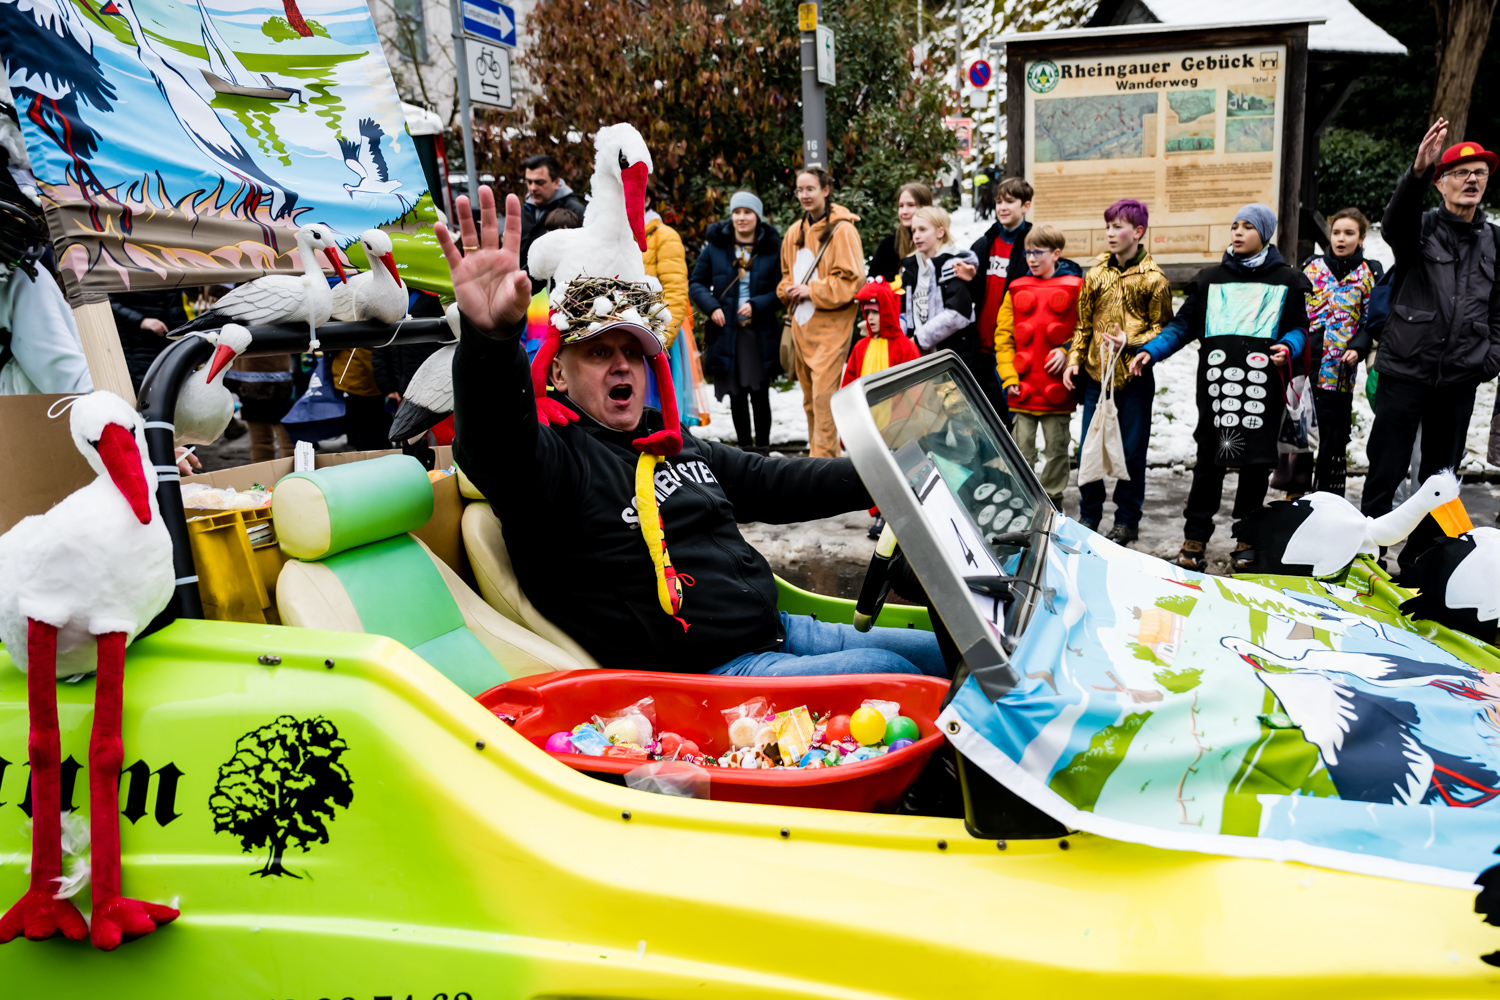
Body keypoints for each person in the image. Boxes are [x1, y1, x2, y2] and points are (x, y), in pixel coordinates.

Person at [443, 185, 943, 677]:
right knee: (891, 673)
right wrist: (490, 342)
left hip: (778, 630)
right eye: (599, 352)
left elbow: (772, 483)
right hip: (709, 679)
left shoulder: (666, 440)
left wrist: (887, 471)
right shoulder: (551, 464)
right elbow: (496, 442)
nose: (622, 368)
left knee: (948, 651)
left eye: (633, 353)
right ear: (557, 373)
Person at [1129, 203, 1310, 572]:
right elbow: (1182, 327)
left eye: (1247, 226)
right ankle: (1194, 538)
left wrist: (1288, 346)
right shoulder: (1209, 279)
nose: (1238, 233)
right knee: (1208, 467)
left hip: (1262, 395)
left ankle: (1247, 539)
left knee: (1255, 469)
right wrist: (1151, 352)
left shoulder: (1287, 280)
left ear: (1265, 234)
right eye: (1235, 226)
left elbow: (1299, 328)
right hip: (1216, 394)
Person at [1362, 121, 1499, 577]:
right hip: (1406, 369)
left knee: (1440, 479)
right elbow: (1393, 222)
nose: (1472, 180)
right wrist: (1416, 172)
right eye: (1461, 173)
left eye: (1479, 173)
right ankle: (1368, 554)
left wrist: (1489, 357)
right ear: (1441, 183)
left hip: (1460, 377)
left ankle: (1421, 561)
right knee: (1385, 469)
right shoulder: (1418, 229)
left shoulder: (1495, 241)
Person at [1064, 199, 1172, 542]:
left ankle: (1127, 519)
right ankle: (1089, 513)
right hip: (1097, 378)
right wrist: (1075, 360)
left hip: (1135, 379)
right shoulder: (1095, 274)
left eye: (1118, 227)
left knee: (1131, 451)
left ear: (1138, 232)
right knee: (1088, 449)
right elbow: (1083, 325)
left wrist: (1133, 340)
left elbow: (1164, 329)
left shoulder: (1154, 280)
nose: (1110, 233)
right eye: (1107, 226)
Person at [964, 177, 1081, 428]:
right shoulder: (984, 243)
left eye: (1010, 202)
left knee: (1014, 422)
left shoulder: (1034, 244)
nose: (1002, 207)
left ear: (1025, 206)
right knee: (987, 420)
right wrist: (970, 281)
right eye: (998, 202)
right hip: (984, 346)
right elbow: (976, 295)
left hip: (1020, 349)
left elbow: (1058, 275)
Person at [777, 167, 865, 459]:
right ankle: (821, 465)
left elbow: (851, 282)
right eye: (800, 190)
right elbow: (786, 277)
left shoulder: (844, 230)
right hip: (802, 329)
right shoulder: (793, 232)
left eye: (810, 189)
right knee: (809, 402)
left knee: (824, 402)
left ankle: (822, 469)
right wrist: (788, 289)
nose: (804, 195)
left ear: (825, 190)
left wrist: (811, 291)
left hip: (831, 330)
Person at [993, 225, 1081, 509]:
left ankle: (1053, 500)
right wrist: (1008, 376)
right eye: (1027, 251)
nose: (1031, 258)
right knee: (1021, 452)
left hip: (1057, 391)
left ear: (1056, 254)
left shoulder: (1075, 287)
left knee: (1057, 450)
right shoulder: (1016, 288)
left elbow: (1085, 330)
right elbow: (1003, 338)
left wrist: (1068, 352)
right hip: (1023, 389)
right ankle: (1024, 500)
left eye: (1038, 252)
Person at [690, 190, 782, 449]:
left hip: (759, 333)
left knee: (760, 395)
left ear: (757, 217)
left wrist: (756, 305)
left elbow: (781, 290)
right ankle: (745, 454)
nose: (741, 218)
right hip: (726, 332)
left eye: (747, 212)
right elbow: (696, 283)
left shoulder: (772, 249)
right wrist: (712, 307)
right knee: (736, 396)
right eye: (737, 212)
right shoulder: (716, 248)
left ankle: (763, 453)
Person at [1301, 207, 1383, 496]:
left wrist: (1357, 349)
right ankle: (1297, 496)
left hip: (1340, 370)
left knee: (1333, 438)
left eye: (1349, 233)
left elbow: (1372, 320)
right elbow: (1297, 311)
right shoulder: (1312, 267)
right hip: (1306, 364)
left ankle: (1327, 496)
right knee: (1303, 433)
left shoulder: (1369, 272)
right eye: (1336, 232)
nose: (1341, 238)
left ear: (1360, 238)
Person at [898, 206, 980, 371]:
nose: (916, 236)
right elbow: (903, 311)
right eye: (914, 231)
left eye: (922, 229)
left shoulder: (953, 265)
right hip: (914, 356)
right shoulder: (910, 268)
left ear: (940, 232)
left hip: (950, 356)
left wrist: (919, 340)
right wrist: (900, 338)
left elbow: (958, 314)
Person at [842, 280, 919, 386]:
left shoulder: (906, 348)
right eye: (867, 312)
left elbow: (913, 388)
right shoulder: (859, 348)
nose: (870, 318)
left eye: (875, 312)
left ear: (888, 310)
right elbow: (848, 386)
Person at [518, 153, 586, 271]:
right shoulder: (521, 213)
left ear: (556, 182)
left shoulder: (576, 212)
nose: (532, 188)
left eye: (539, 182)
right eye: (529, 182)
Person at [111, 288, 188, 393]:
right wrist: (140, 320)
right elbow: (104, 298)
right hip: (138, 343)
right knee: (145, 395)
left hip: (172, 341)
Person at [867, 182, 933, 283]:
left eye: (911, 205)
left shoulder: (936, 242)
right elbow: (873, 287)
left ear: (925, 207)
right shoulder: (888, 247)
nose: (904, 211)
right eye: (901, 206)